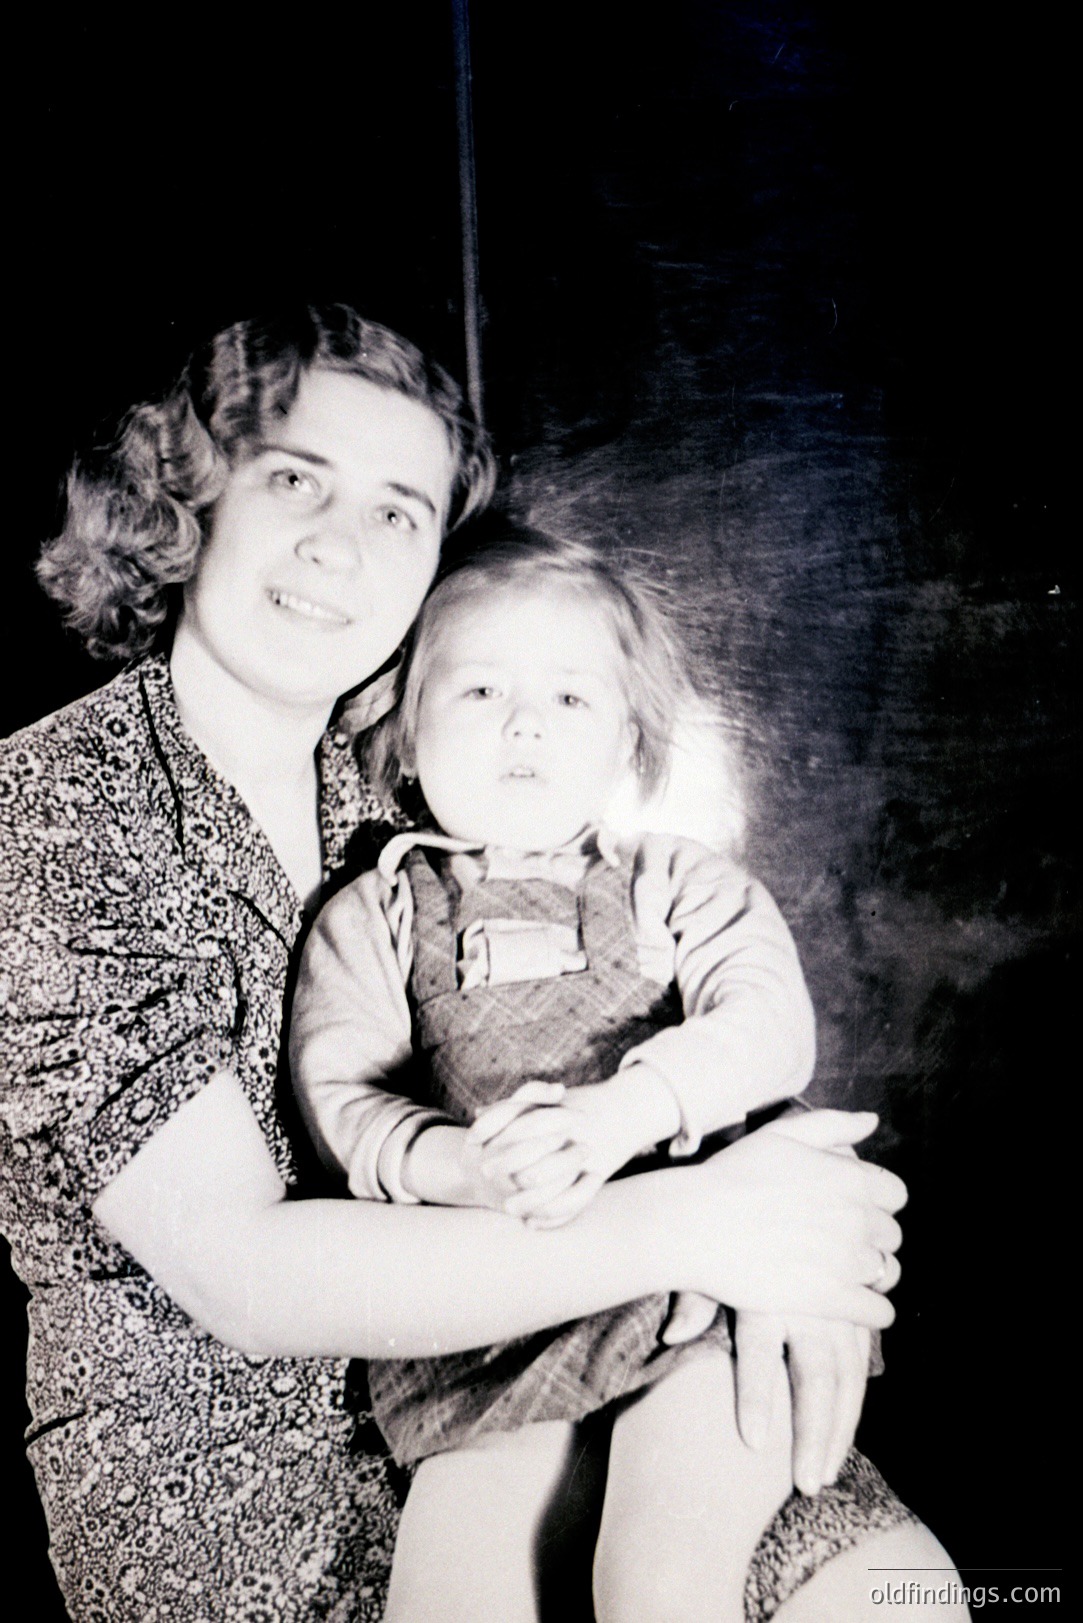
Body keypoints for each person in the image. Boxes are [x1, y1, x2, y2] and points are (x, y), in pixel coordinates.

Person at [0, 302, 962, 1622]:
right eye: (294, 478)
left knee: (901, 1593)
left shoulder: (411, 774)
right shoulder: (60, 806)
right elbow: (249, 1270)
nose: (341, 544)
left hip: (584, 1345)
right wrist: (718, 1227)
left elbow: (650, 995)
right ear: (189, 494)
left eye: (400, 510)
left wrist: (805, 1264)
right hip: (254, 1489)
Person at [289, 527, 863, 1622]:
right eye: (481, 691)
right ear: (405, 735)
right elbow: (340, 1100)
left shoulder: (671, 885)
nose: (522, 723)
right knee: (448, 1591)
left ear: (627, 742)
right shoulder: (380, 913)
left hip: (690, 1295)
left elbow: (769, 1026)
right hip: (482, 1321)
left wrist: (627, 1111)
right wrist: (456, 1165)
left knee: (658, 1579)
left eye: (569, 700)